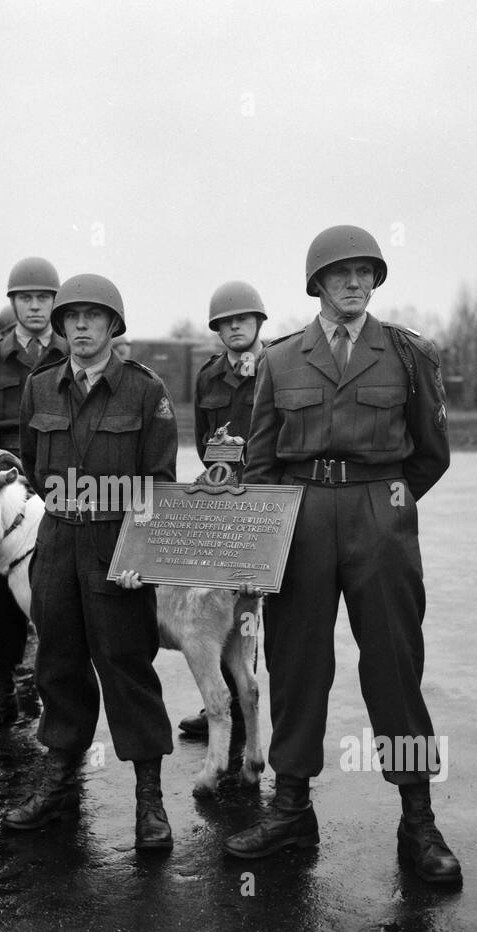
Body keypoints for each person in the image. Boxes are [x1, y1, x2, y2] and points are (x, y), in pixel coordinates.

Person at [226, 225, 460, 889]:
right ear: (318, 283)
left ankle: (419, 817)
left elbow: (431, 451)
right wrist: (266, 534)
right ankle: (292, 807)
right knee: (297, 663)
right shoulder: (280, 359)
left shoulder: (406, 353)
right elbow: (262, 459)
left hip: (377, 517)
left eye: (365, 272)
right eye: (341, 273)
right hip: (298, 519)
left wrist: (386, 505)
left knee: (394, 663)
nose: (355, 283)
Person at [3, 273, 179, 850]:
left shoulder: (145, 391)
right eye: (70, 318)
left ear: (112, 326)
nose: (80, 327)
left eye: (92, 317)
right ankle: (57, 784)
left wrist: (141, 553)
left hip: (116, 547)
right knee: (57, 665)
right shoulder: (41, 388)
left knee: (128, 667)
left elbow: (158, 483)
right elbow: (33, 467)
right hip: (56, 545)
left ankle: (149, 800)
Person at [0, 257, 66, 731]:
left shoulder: (70, 355)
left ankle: (57, 691)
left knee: (57, 591)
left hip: (56, 488)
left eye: (44, 297)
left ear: (54, 302)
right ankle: (1, 691)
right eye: (27, 297)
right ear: (13, 303)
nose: (36, 306)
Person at [178, 280, 266, 739]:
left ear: (257, 323)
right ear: (217, 328)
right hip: (223, 501)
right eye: (226, 322)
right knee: (219, 602)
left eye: (243, 320)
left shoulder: (276, 367)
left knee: (253, 605)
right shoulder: (209, 375)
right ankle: (219, 701)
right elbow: (202, 439)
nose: (235, 327)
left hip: (265, 502)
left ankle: (248, 702)